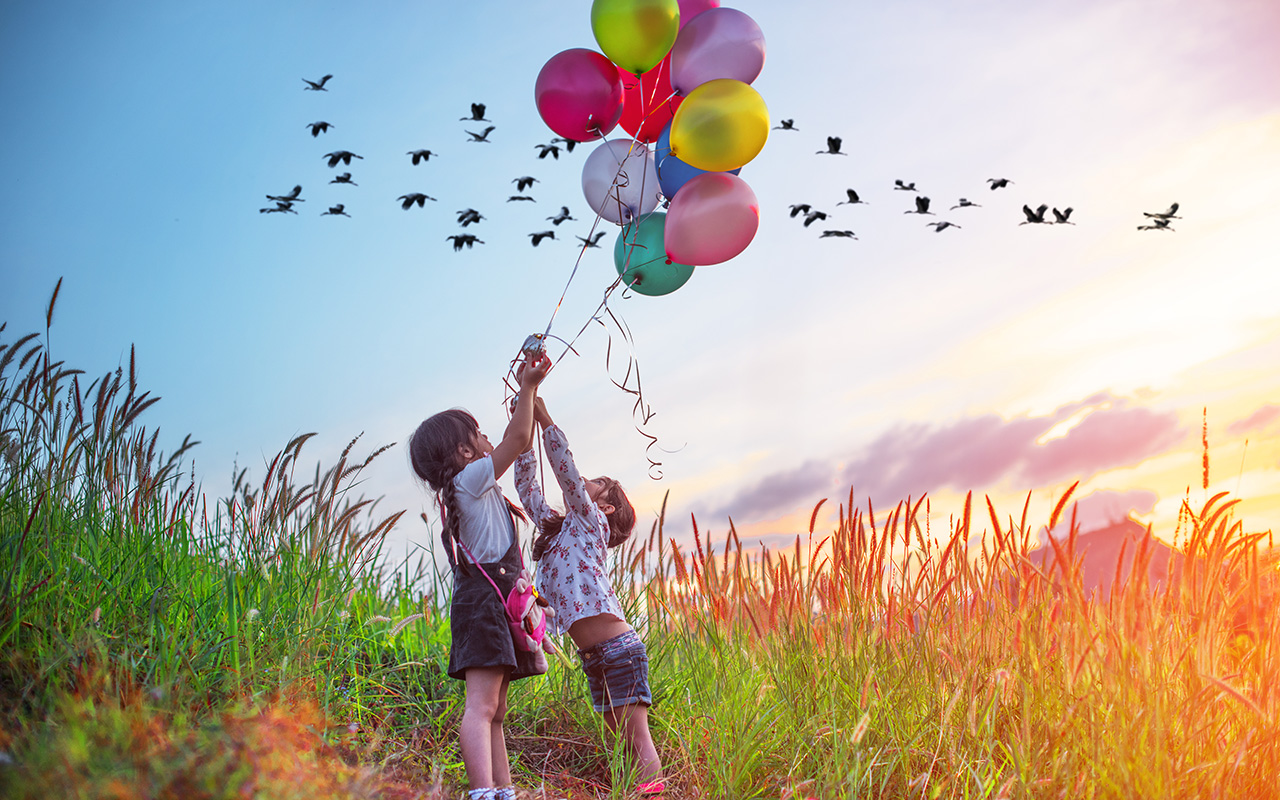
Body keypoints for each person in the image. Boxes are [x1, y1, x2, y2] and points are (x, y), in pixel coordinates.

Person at [408, 351, 551, 800]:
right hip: (482, 609)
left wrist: (525, 398)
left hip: (492, 605)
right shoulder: (470, 479)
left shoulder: (474, 486)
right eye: (479, 433)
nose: (490, 437)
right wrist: (527, 388)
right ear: (466, 452)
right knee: (481, 706)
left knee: (496, 710)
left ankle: (501, 791)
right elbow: (521, 439)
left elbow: (515, 433)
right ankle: (482, 793)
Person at [513, 395, 664, 795]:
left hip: (618, 649)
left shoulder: (590, 522)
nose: (583, 483)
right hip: (595, 658)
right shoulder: (559, 529)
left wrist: (546, 419)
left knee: (635, 739)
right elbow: (526, 488)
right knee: (619, 743)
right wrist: (523, 426)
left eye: (594, 483)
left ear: (607, 508)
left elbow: (566, 473)